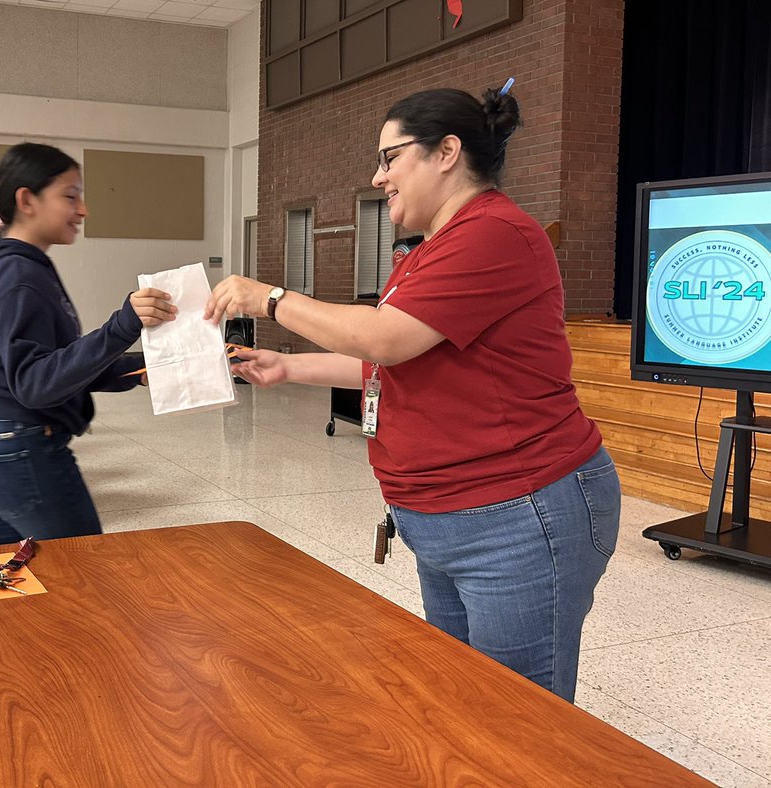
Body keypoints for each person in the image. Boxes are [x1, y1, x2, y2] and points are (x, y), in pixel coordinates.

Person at [205, 85, 620, 704]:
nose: (379, 178)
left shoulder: (497, 234)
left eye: (390, 157)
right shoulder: (430, 252)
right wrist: (287, 369)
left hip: (518, 512)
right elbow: (391, 363)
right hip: (442, 514)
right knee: (462, 696)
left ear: (446, 152)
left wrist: (269, 299)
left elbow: (387, 338)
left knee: (519, 715)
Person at [0, 142, 176, 544]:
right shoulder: (17, 273)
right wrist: (122, 326)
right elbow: (35, 383)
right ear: (26, 200)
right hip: (19, 451)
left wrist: (134, 370)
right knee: (85, 581)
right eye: (70, 196)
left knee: (10, 589)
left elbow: (50, 365)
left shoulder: (8, 263)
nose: (82, 210)